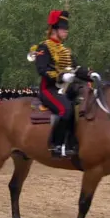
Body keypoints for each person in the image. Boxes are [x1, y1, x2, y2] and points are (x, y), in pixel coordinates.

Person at [34, 10, 97, 158]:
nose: (66, 31)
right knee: (66, 109)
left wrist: (90, 75)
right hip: (49, 88)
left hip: (67, 89)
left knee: (88, 100)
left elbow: (76, 68)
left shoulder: (65, 50)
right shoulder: (43, 47)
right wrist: (61, 76)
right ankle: (56, 145)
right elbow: (42, 70)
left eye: (66, 28)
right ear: (54, 29)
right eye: (63, 28)